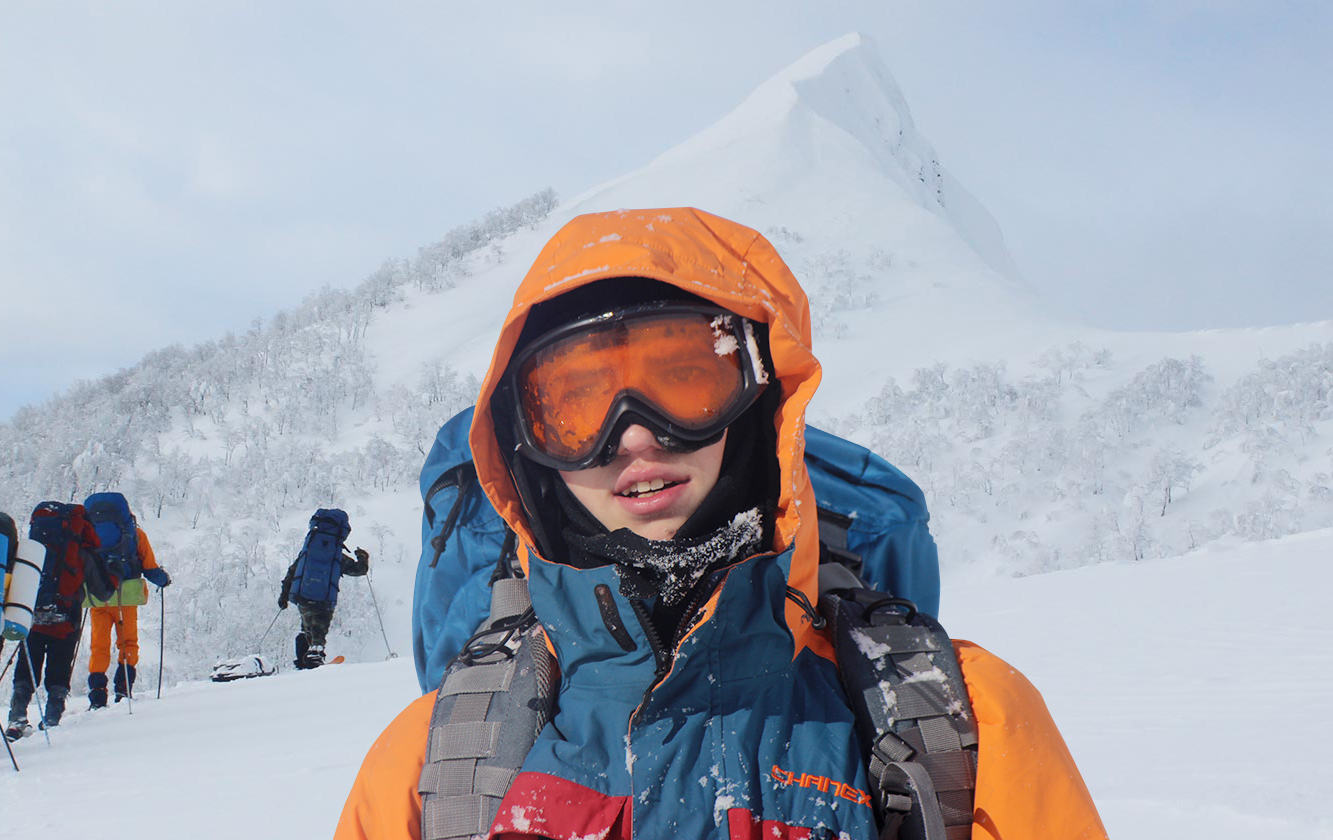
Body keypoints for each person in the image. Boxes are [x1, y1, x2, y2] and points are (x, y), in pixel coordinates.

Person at [333, 208, 1105, 839]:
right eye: (576, 407)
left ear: (761, 396)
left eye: (685, 377)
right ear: (531, 451)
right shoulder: (437, 767)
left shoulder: (965, 726)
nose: (633, 436)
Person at [7, 501, 101, 736]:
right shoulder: (81, 551)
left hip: (32, 617)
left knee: (27, 666)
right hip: (66, 618)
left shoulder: (34, 548)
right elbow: (102, 589)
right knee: (59, 667)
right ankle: (52, 718)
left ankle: (16, 718)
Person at [83, 520, 171, 707]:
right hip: (126, 596)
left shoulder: (90, 532)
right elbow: (149, 567)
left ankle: (97, 693)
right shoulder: (135, 534)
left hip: (99, 597)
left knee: (99, 645)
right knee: (127, 641)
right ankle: (123, 688)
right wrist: (163, 580)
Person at [278, 508, 370, 669]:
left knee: (306, 628)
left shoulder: (308, 553)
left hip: (303, 596)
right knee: (319, 630)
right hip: (324, 599)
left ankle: (302, 660)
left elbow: (292, 573)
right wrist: (362, 556)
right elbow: (359, 570)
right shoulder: (336, 556)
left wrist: (284, 596)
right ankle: (315, 654)